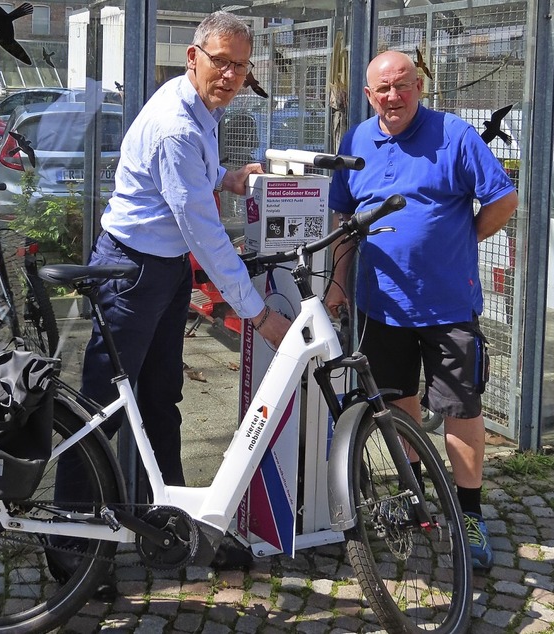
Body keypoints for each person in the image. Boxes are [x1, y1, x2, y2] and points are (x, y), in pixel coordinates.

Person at [47, 11, 291, 593]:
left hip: (162, 270)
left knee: (161, 402)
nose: (230, 75)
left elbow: (187, 186)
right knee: (99, 413)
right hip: (130, 274)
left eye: (240, 64)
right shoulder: (177, 124)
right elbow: (203, 232)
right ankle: (68, 551)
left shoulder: (200, 107)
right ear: (193, 57)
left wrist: (228, 177)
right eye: (220, 62)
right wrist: (257, 312)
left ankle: (176, 528)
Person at [325, 50, 518, 571]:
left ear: (419, 86)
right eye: (382, 88)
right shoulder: (357, 140)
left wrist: (462, 239)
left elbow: (503, 199)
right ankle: (414, 496)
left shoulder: (454, 135)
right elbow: (344, 215)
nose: (393, 96)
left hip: (447, 305)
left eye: (402, 85)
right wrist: (339, 284)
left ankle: (469, 514)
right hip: (380, 306)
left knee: (461, 409)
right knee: (396, 402)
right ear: (368, 95)